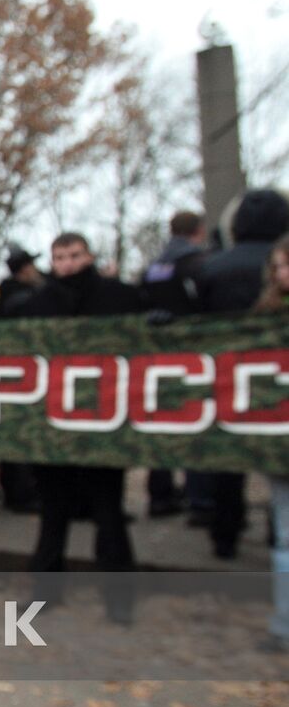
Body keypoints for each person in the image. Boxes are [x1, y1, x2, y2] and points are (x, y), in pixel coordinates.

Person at [22, 233, 142, 574]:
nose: (67, 264)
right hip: (54, 421)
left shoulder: (119, 296)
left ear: (88, 256)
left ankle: (118, 594)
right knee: (53, 509)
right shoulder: (38, 303)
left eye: (74, 256)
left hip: (104, 420)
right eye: (59, 258)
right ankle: (46, 584)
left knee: (108, 509)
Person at [192, 190, 289, 559]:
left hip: (228, 384)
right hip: (273, 389)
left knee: (227, 465)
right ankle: (275, 534)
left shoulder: (212, 267)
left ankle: (225, 534)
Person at [139, 210, 207, 517]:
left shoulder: (156, 266)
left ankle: (160, 494)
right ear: (198, 231)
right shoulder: (197, 263)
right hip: (196, 357)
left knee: (161, 424)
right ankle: (199, 499)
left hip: (157, 359)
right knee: (197, 425)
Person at [255, 235, 289, 653]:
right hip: (282, 450)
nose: (283, 274)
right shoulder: (263, 319)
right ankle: (284, 625)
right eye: (279, 266)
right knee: (285, 540)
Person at [0, 246, 44, 319]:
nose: (35, 269)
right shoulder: (29, 297)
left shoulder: (2, 292)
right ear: (25, 269)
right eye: (32, 265)